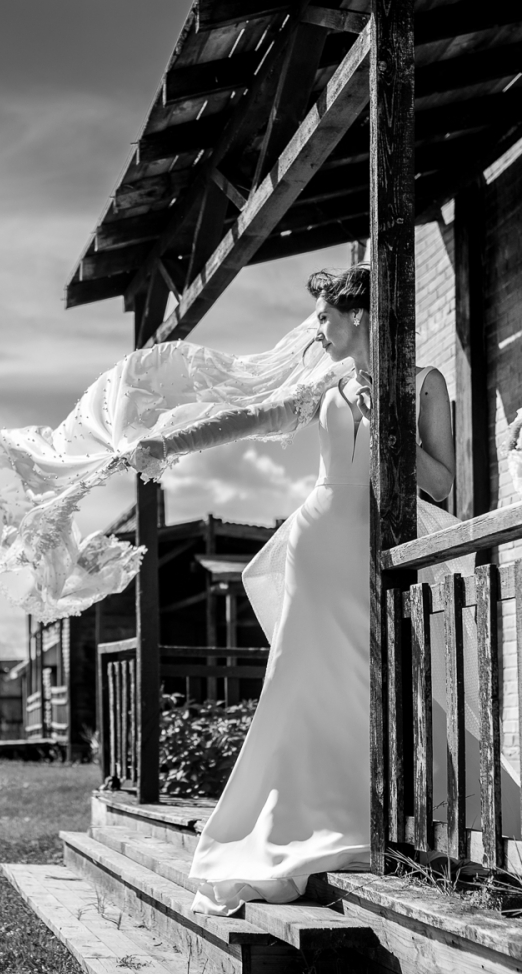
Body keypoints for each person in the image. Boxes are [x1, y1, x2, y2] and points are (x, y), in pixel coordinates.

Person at [125, 262, 467, 915]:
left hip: (386, 548)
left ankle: (398, 815)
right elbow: (251, 419)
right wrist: (166, 443)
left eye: (324, 314)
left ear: (360, 312)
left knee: (387, 681)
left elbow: (443, 483)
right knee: (305, 683)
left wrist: (389, 421)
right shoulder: (325, 384)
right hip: (319, 547)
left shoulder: (426, 383)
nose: (316, 327)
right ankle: (303, 820)